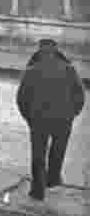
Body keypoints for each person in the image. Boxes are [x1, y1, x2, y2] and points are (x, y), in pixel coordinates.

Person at [16, 39, 85, 200]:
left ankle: (38, 191)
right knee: (58, 150)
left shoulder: (31, 70)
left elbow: (21, 99)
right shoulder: (69, 69)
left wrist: (30, 118)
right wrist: (72, 114)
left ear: (40, 51)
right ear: (56, 51)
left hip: (39, 120)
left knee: (38, 155)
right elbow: (80, 96)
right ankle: (53, 180)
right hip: (63, 119)